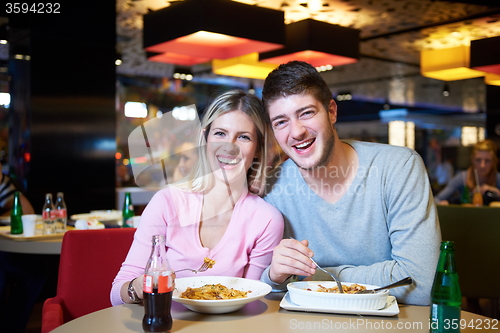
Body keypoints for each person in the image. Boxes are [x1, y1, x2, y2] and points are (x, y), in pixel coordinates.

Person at [259, 61, 441, 306]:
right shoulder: (272, 188)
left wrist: (317, 277)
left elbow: (421, 284)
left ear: (332, 112)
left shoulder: (399, 167)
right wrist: (275, 276)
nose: (297, 132)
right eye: (281, 122)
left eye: (307, 113)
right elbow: (268, 290)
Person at [111, 90, 284, 305]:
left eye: (243, 137)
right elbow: (117, 295)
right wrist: (137, 286)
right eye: (220, 133)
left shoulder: (266, 219)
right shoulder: (166, 202)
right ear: (205, 138)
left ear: (257, 149)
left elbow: (253, 301)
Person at [435, 139, 500, 205]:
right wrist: (443, 204)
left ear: (494, 161)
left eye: (487, 161)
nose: (482, 165)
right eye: (478, 160)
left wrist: (497, 192)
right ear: (472, 160)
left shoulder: (498, 179)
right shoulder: (462, 178)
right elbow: (436, 199)